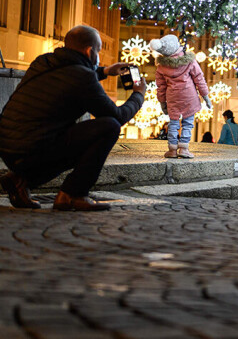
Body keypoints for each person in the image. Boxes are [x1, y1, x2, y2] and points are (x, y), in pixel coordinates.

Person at [0, 24, 145, 211]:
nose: (98, 56)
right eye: (98, 51)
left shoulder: (43, 62)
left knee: (55, 139)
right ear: (89, 51)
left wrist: (105, 71)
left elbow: (69, 75)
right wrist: (138, 94)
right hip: (31, 150)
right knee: (108, 127)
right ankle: (73, 193)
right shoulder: (83, 77)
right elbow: (117, 116)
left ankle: (19, 180)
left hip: (8, 148)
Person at [150, 35, 212, 159]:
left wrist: (163, 103)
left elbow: (161, 87)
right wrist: (206, 97)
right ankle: (184, 148)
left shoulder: (161, 67)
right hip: (189, 96)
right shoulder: (189, 60)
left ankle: (172, 150)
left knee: (173, 122)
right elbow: (199, 79)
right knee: (188, 123)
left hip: (172, 97)